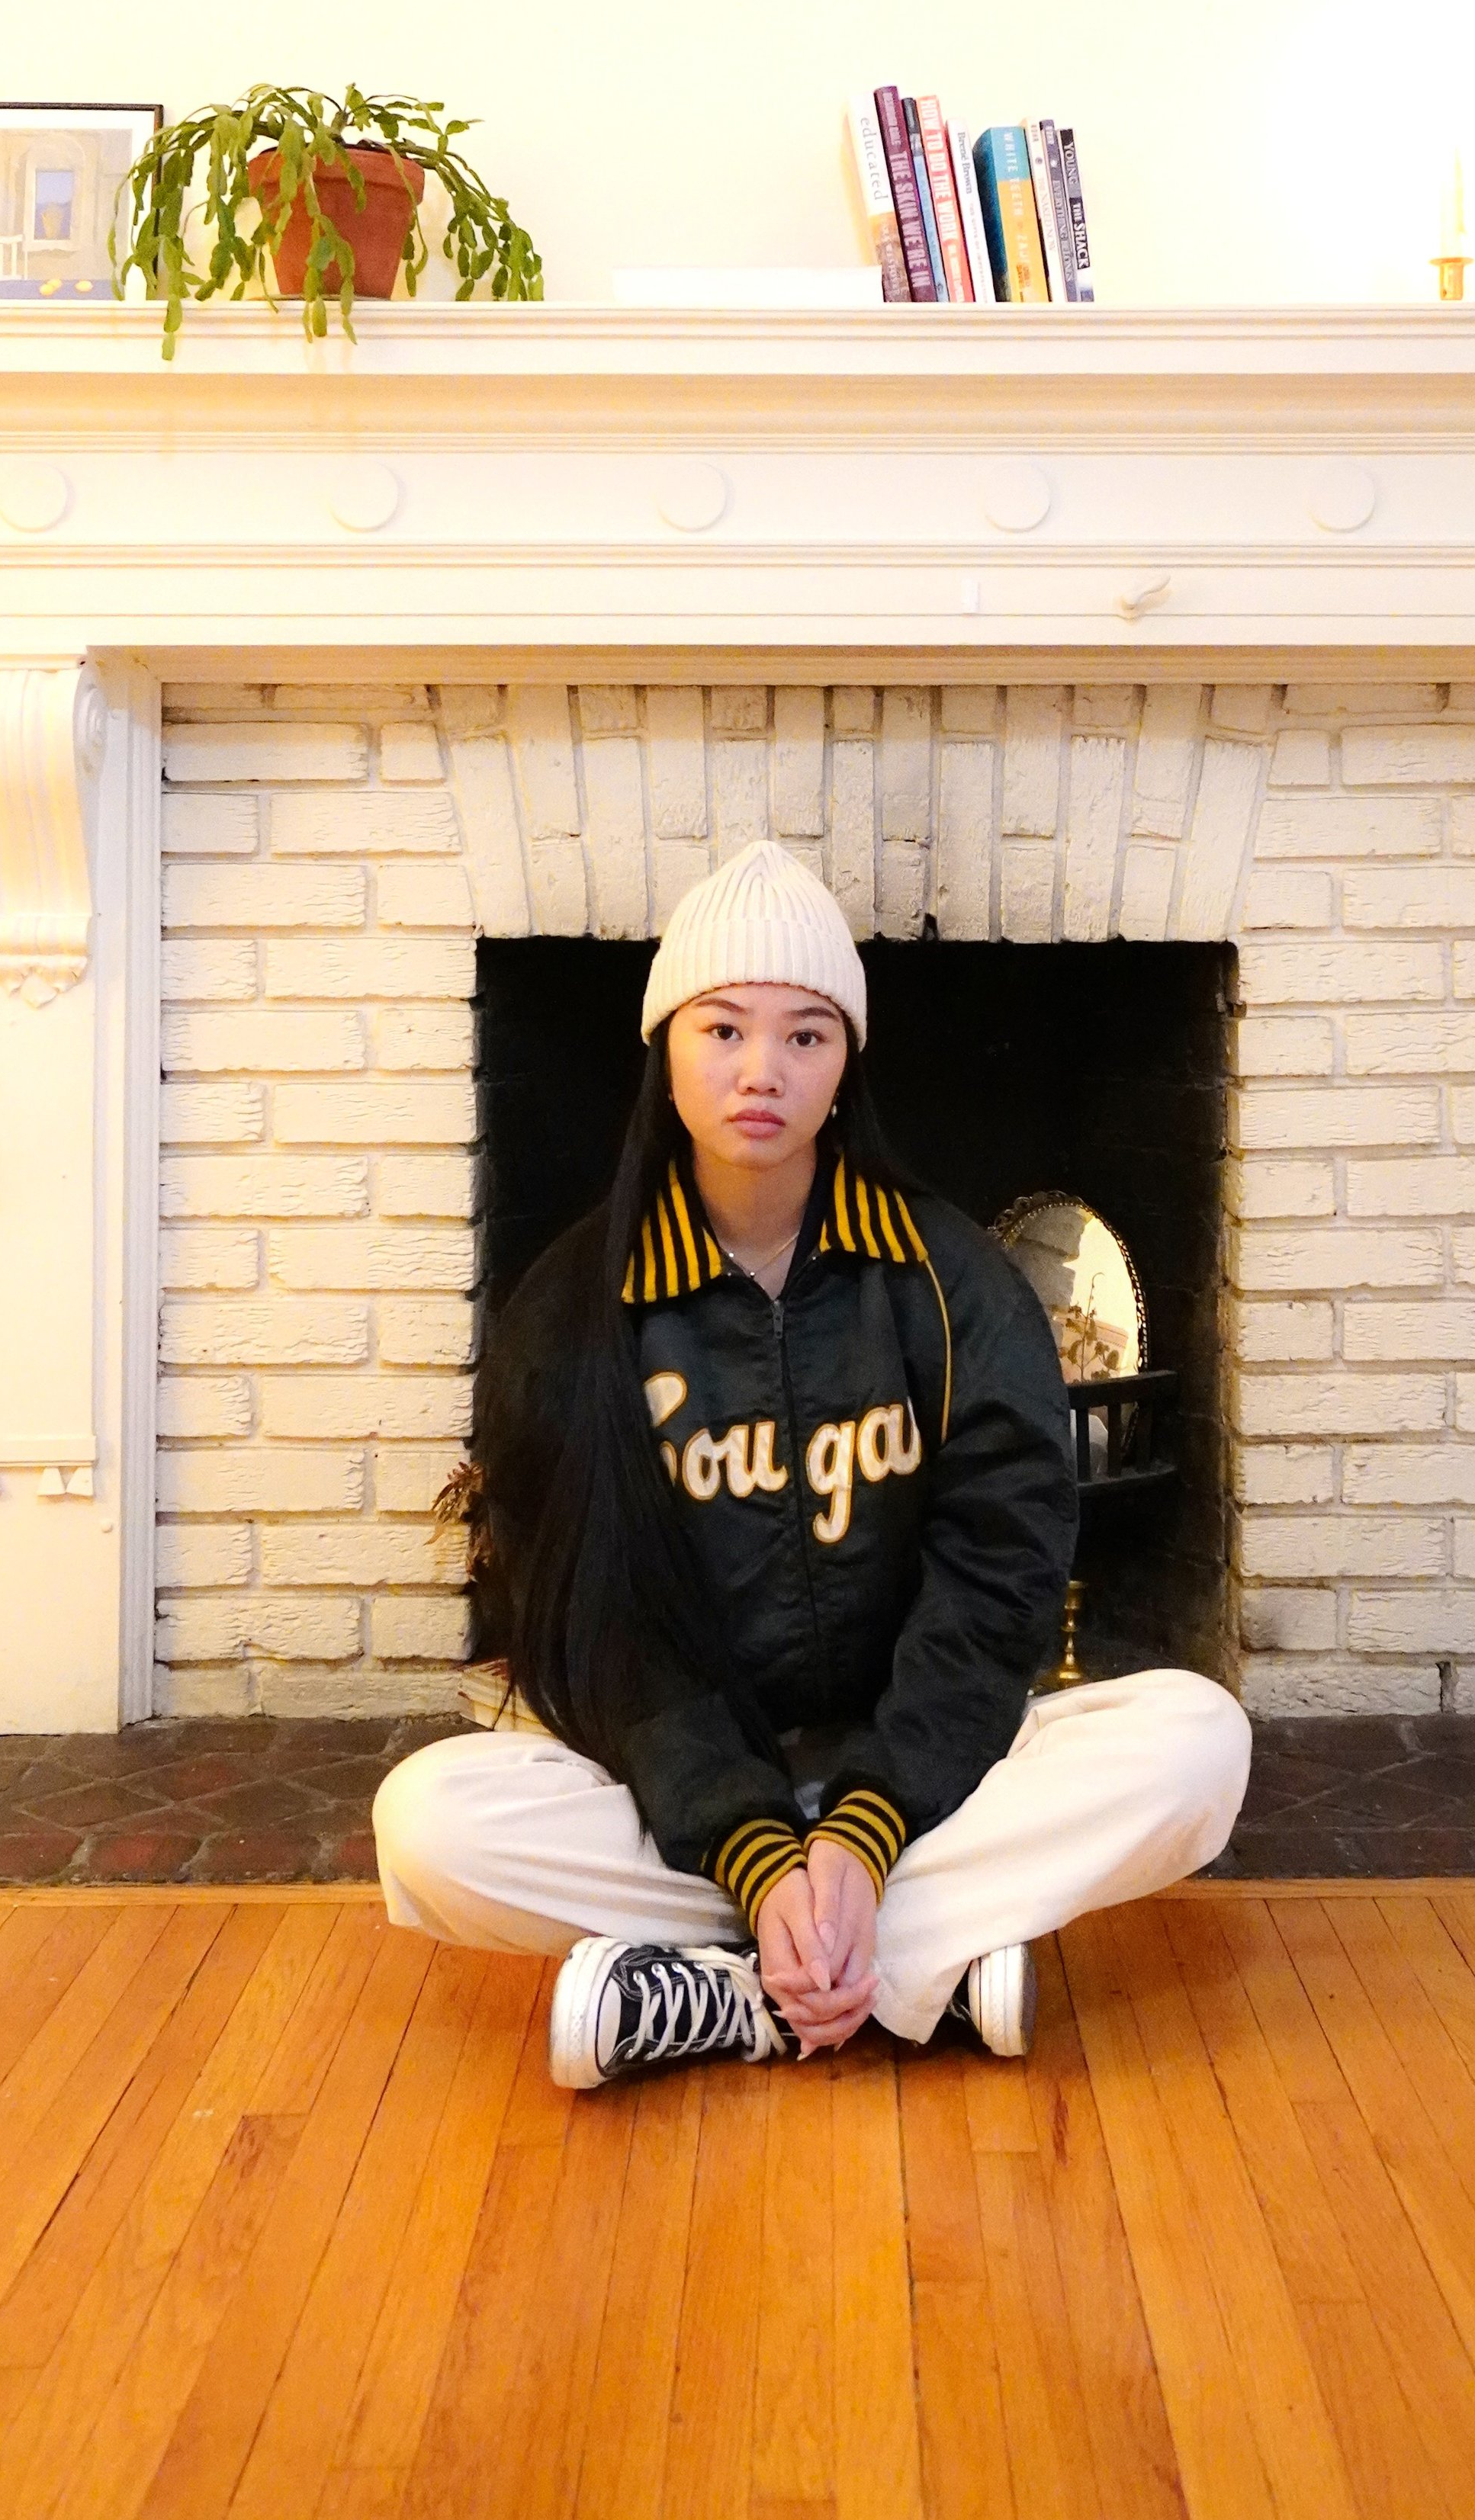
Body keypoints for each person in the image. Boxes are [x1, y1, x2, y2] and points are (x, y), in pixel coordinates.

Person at [372, 840, 1252, 2088]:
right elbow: (600, 1634)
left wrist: (864, 1829)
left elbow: (997, 1583)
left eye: (805, 1037)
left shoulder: (952, 1284)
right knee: (427, 1824)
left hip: (919, 1775)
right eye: (723, 1031)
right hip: (679, 1788)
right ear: (664, 1051)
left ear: (845, 1067)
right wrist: (754, 1843)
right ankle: (906, 1972)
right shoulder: (575, 1308)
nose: (760, 1073)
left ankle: (723, 1995)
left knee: (1197, 1741)